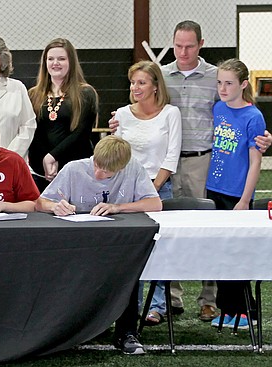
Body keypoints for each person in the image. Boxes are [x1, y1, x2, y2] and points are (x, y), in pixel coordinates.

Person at [109, 20, 271, 321]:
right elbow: (143, 105)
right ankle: (170, 298)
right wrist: (120, 122)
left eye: (189, 46)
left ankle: (208, 299)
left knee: (208, 228)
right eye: (178, 45)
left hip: (202, 161)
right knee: (169, 232)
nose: (183, 52)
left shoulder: (215, 77)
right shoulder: (163, 75)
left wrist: (264, 137)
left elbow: (242, 110)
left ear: (201, 44)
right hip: (165, 162)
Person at [37, 135, 161, 355]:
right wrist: (55, 206)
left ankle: (126, 332)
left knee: (128, 272)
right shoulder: (74, 168)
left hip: (118, 243)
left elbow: (154, 203)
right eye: (96, 165)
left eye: (106, 172)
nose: (98, 174)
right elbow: (40, 202)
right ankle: (70, 329)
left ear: (121, 168)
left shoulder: (133, 169)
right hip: (80, 243)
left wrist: (118, 207)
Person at [113, 61, 181, 325]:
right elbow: (116, 154)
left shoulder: (170, 113)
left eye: (141, 82)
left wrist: (150, 190)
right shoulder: (121, 114)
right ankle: (130, 306)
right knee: (132, 249)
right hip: (127, 190)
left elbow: (171, 155)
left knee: (159, 246)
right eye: (132, 82)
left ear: (155, 86)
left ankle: (157, 306)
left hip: (158, 186)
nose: (135, 87)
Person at [206, 59, 265, 328]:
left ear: (243, 84)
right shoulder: (218, 108)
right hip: (213, 191)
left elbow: (255, 162)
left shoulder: (253, 116)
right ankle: (226, 308)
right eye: (219, 82)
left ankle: (245, 310)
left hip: (236, 195)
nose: (222, 88)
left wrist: (244, 200)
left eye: (229, 83)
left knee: (237, 252)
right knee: (220, 251)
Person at [27, 38, 97, 192]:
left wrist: (53, 156)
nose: (55, 63)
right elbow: (35, 131)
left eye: (61, 59)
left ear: (71, 62)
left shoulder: (85, 93)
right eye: (50, 59)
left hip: (77, 167)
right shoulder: (34, 94)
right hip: (44, 171)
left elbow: (82, 133)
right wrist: (45, 161)